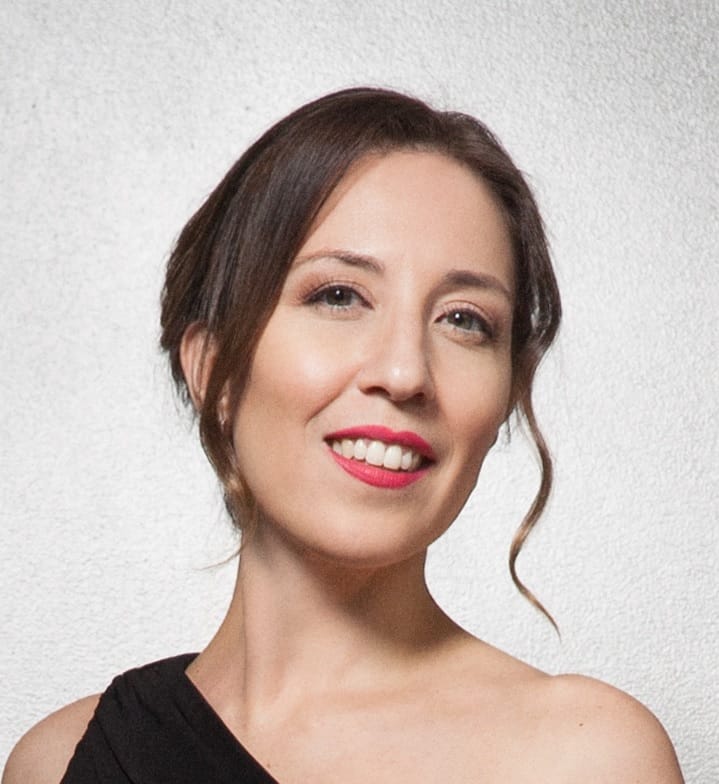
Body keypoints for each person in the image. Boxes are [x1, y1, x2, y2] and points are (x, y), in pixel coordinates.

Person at [3, 87, 683, 783]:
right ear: (213, 369)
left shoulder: (589, 757)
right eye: (338, 296)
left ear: (508, 392)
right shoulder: (59, 764)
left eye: (463, 320)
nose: (404, 372)